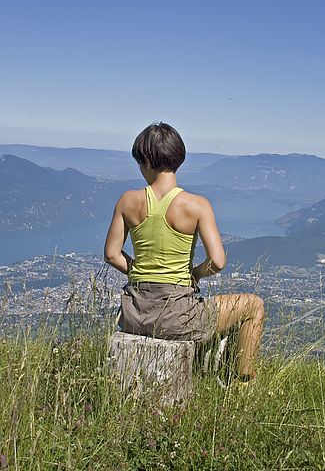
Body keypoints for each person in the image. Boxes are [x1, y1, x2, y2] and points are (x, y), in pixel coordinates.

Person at [104, 121, 264, 383]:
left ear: (145, 161)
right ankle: (242, 382)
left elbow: (112, 254)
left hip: (133, 315)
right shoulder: (196, 205)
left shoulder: (127, 201)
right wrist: (196, 275)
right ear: (179, 158)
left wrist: (140, 271)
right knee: (253, 305)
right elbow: (218, 261)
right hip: (178, 317)